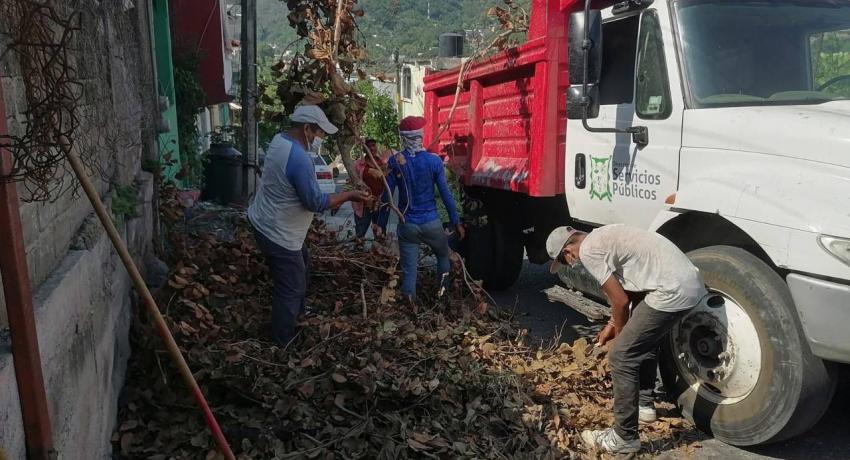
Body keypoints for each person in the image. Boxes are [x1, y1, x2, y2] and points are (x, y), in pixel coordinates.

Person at [546, 224, 709, 454]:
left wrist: (620, 339)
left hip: (671, 289)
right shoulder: (603, 236)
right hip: (687, 281)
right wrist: (613, 325)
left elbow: (621, 301)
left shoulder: (589, 251)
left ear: (568, 252)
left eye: (566, 262)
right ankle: (644, 405)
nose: (572, 264)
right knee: (643, 341)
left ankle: (624, 438)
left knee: (622, 356)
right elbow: (631, 291)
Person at [248, 105, 371, 346]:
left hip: (265, 220)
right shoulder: (299, 158)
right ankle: (283, 343)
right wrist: (348, 196)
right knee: (291, 287)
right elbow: (315, 202)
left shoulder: (279, 140)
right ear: (306, 129)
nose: (322, 139)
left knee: (303, 264)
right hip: (279, 233)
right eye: (320, 133)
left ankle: (298, 313)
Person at [377, 116, 465, 303]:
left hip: (407, 224)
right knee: (442, 256)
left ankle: (410, 306)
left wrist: (380, 224)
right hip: (431, 223)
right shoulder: (433, 162)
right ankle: (441, 297)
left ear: (403, 138)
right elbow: (446, 195)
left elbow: (386, 196)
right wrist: (456, 221)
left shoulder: (395, 161)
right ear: (420, 136)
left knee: (409, 270)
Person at [352, 138, 388, 238]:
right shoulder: (358, 164)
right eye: (369, 146)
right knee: (360, 232)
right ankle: (358, 249)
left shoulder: (382, 163)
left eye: (374, 145)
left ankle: (379, 250)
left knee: (380, 231)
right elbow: (351, 182)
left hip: (379, 203)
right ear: (365, 149)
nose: (372, 148)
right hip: (363, 203)